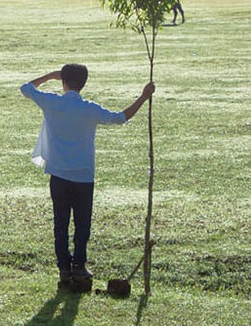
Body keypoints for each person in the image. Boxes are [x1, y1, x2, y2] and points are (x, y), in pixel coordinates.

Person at [21, 64, 153, 292]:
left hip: (59, 173)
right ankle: (79, 265)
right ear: (84, 83)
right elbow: (121, 118)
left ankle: (64, 267)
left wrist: (50, 76)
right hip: (84, 175)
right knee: (83, 224)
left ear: (63, 81)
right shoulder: (89, 109)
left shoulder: (53, 103)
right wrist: (143, 97)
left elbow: (26, 88)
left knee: (60, 222)